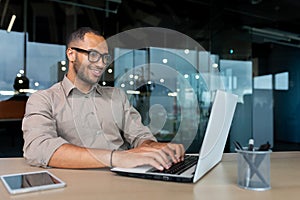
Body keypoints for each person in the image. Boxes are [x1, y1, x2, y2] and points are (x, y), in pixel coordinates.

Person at [22, 27, 185, 170]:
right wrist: (118, 158)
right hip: (76, 187)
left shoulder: (117, 97)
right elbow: (38, 148)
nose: (101, 64)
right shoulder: (43, 100)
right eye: (93, 55)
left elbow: (140, 137)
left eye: (105, 57)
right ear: (71, 54)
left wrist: (156, 148)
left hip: (127, 180)